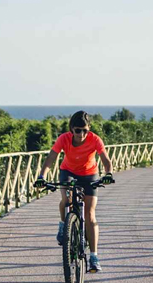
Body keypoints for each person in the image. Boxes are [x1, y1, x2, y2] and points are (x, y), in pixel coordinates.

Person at [34, 110, 114, 272]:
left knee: (90, 214)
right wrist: (42, 176)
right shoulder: (63, 139)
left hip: (90, 174)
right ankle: (64, 225)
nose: (82, 134)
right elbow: (51, 158)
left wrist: (108, 173)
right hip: (68, 172)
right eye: (78, 130)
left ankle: (94, 256)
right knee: (67, 199)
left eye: (85, 130)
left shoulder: (95, 139)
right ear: (71, 129)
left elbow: (105, 159)